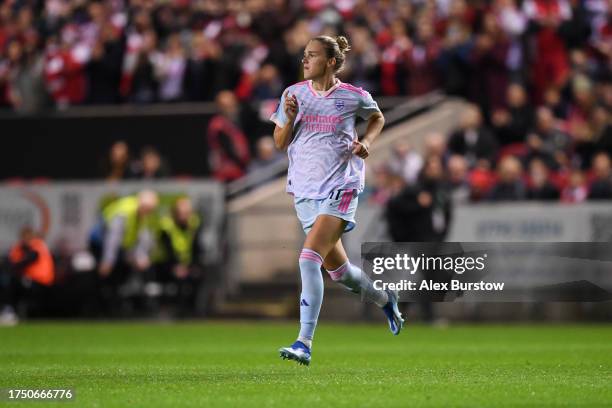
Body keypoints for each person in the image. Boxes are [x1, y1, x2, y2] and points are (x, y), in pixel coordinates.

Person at [270, 35, 402, 366]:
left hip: (341, 186)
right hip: (304, 190)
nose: (305, 61)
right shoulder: (293, 94)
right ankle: (386, 299)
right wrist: (289, 117)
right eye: (304, 55)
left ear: (330, 61)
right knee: (341, 274)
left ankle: (304, 342)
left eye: (312, 55)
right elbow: (279, 143)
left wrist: (368, 142)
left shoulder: (353, 96)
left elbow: (378, 117)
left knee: (307, 258)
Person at [155, 197, 203, 315]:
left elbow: (196, 248)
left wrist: (193, 265)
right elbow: (167, 250)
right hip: (166, 264)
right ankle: (178, 311)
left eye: (187, 213)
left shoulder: (194, 224)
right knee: (179, 279)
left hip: (187, 263)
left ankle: (194, 310)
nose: (185, 216)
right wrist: (176, 266)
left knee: (198, 276)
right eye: (182, 213)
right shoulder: (166, 226)